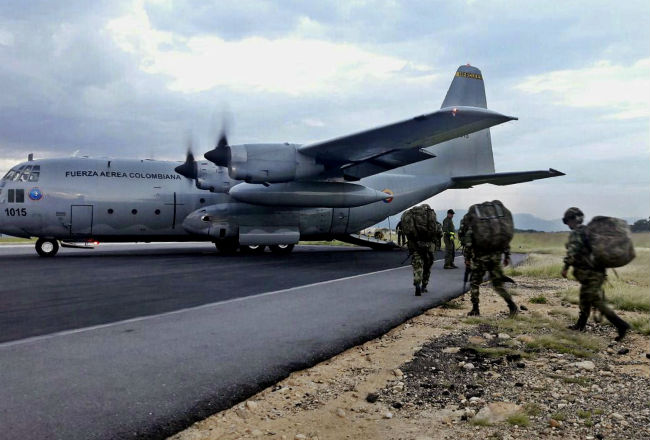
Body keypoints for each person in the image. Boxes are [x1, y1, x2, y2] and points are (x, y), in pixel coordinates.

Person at [561, 207, 629, 341]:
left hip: (591, 274)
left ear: (572, 220)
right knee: (585, 298)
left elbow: (573, 252)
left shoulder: (578, 233)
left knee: (596, 301)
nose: (567, 224)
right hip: (596, 273)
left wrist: (565, 267)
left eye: (567, 221)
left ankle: (621, 325)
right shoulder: (589, 231)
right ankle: (580, 325)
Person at [465, 226, 518, 317]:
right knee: (497, 285)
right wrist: (506, 256)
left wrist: (467, 258)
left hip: (480, 260)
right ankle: (512, 306)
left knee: (474, 283)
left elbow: (468, 245)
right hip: (494, 260)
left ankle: (475, 309)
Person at [402, 204, 438, 296]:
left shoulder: (412, 216)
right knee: (427, 267)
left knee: (417, 266)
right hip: (428, 247)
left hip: (416, 246)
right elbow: (438, 232)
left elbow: (407, 232)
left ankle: (417, 283)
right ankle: (424, 286)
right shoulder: (430, 218)